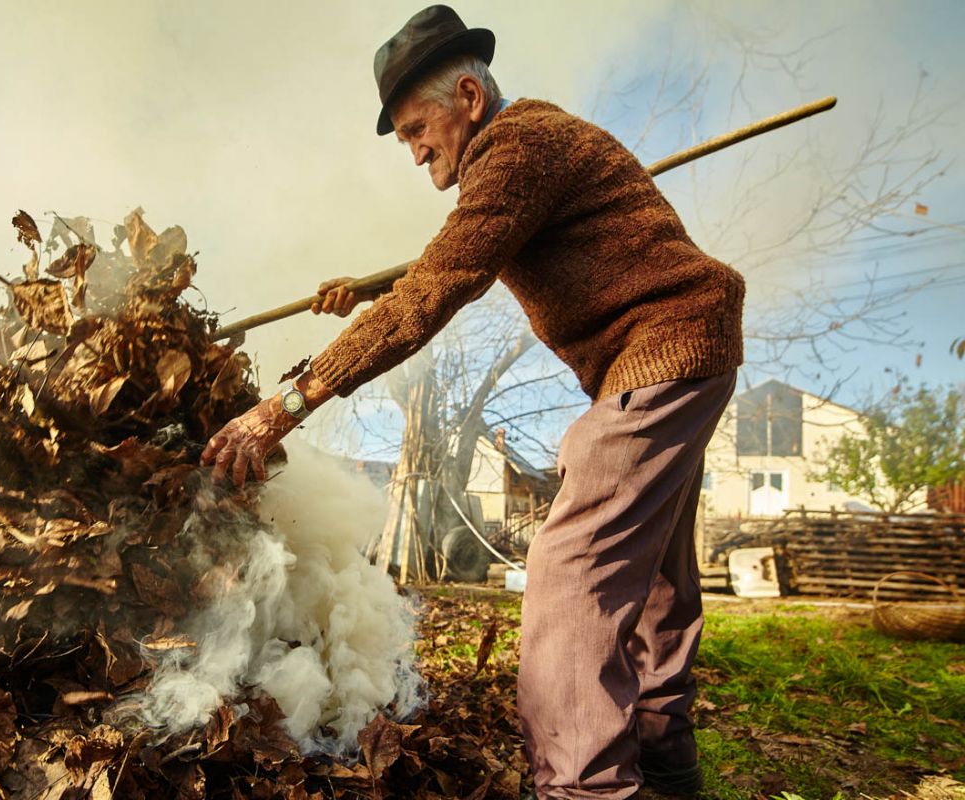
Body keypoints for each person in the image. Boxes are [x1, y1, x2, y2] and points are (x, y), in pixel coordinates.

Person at [201, 5, 744, 798]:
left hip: (662, 353)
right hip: (692, 350)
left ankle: (583, 787)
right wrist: (362, 289)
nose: (414, 151)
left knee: (572, 572)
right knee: (658, 575)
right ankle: (667, 765)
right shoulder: (525, 153)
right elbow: (439, 261)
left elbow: (433, 292)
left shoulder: (517, 147)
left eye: (419, 128)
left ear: (467, 96)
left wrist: (284, 402)